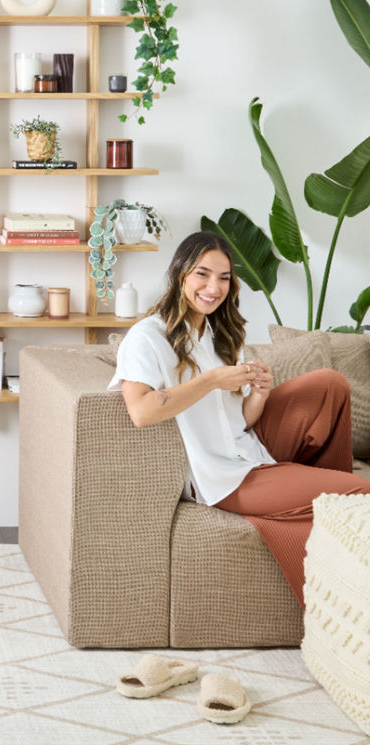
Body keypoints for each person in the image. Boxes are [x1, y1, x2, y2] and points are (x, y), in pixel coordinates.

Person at [108, 230, 370, 608]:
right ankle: (328, 502)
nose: (214, 287)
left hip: (248, 449)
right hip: (219, 477)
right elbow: (142, 411)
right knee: (359, 494)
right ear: (180, 275)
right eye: (203, 274)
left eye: (224, 278)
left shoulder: (221, 334)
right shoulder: (147, 337)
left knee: (329, 384)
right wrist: (212, 379)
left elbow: (239, 422)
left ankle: (321, 494)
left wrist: (259, 395)